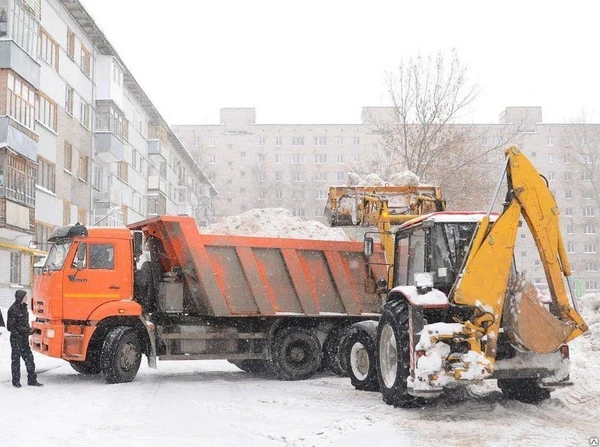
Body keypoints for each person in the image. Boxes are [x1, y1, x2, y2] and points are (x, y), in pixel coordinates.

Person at [7, 289, 43, 388]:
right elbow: (10, 326)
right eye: (25, 296)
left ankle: (32, 380)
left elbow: (23, 324)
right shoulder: (13, 309)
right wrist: (19, 334)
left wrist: (29, 330)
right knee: (16, 361)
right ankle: (16, 382)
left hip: (23, 339)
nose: (26, 298)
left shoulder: (24, 308)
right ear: (20, 297)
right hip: (16, 339)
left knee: (29, 359)